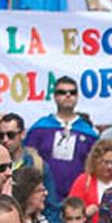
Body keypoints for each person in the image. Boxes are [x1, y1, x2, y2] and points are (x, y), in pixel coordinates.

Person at [27, 75, 99, 206]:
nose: (67, 95)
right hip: (45, 196)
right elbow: (27, 157)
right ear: (54, 96)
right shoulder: (40, 128)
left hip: (78, 198)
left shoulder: (89, 133)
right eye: (62, 92)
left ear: (77, 97)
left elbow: (94, 165)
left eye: (72, 92)